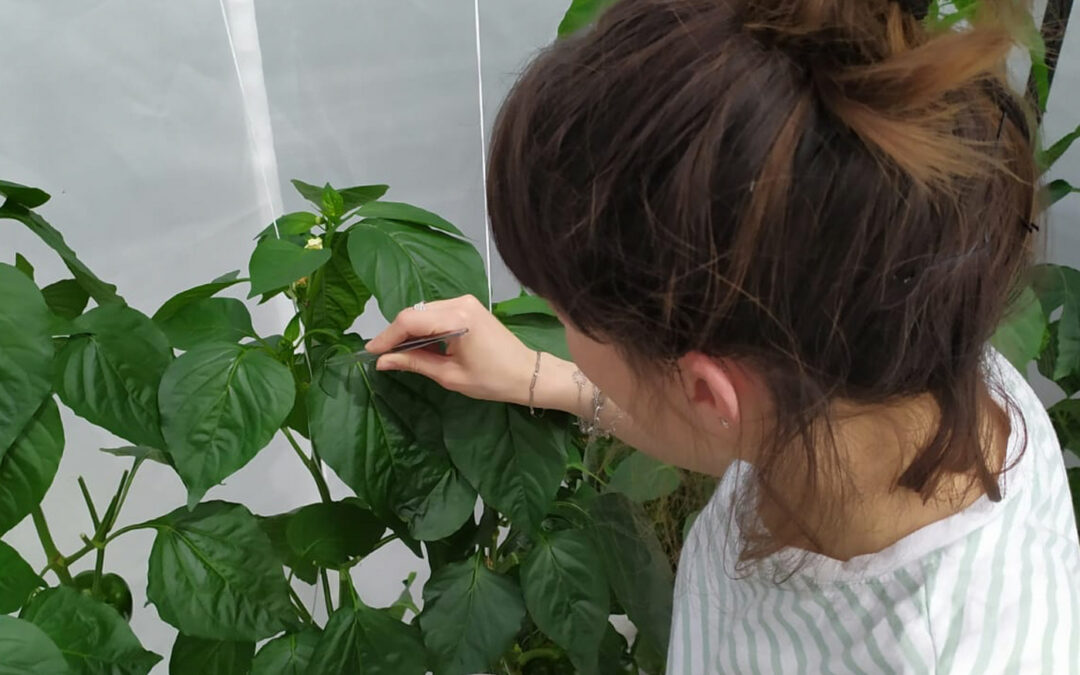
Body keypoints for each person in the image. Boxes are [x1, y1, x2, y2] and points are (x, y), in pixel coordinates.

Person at [367, 0, 1080, 671]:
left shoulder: (952, 651)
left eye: (565, 315)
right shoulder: (901, 363)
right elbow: (737, 424)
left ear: (709, 389)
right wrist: (536, 375)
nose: (555, 327)